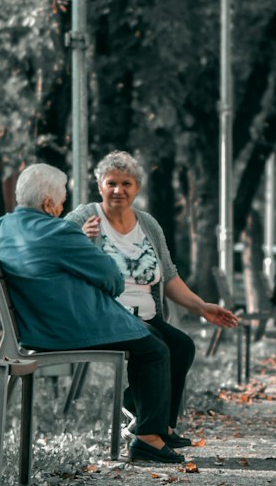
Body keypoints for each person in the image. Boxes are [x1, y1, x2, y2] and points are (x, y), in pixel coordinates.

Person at [0, 163, 189, 464]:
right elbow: (111, 279)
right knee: (155, 348)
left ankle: (147, 423)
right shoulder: (59, 230)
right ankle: (148, 438)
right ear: (49, 203)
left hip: (31, 329)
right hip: (70, 329)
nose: (63, 206)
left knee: (152, 337)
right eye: (62, 199)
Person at [66, 151, 237, 449]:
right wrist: (78, 238)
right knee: (155, 343)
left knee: (181, 346)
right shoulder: (84, 217)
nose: (119, 190)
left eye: (126, 183)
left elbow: (168, 276)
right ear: (100, 186)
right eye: (111, 183)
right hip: (104, 317)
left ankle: (159, 422)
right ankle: (148, 435)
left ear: (137, 187)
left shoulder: (148, 225)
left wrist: (201, 306)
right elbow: (54, 253)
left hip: (146, 315)